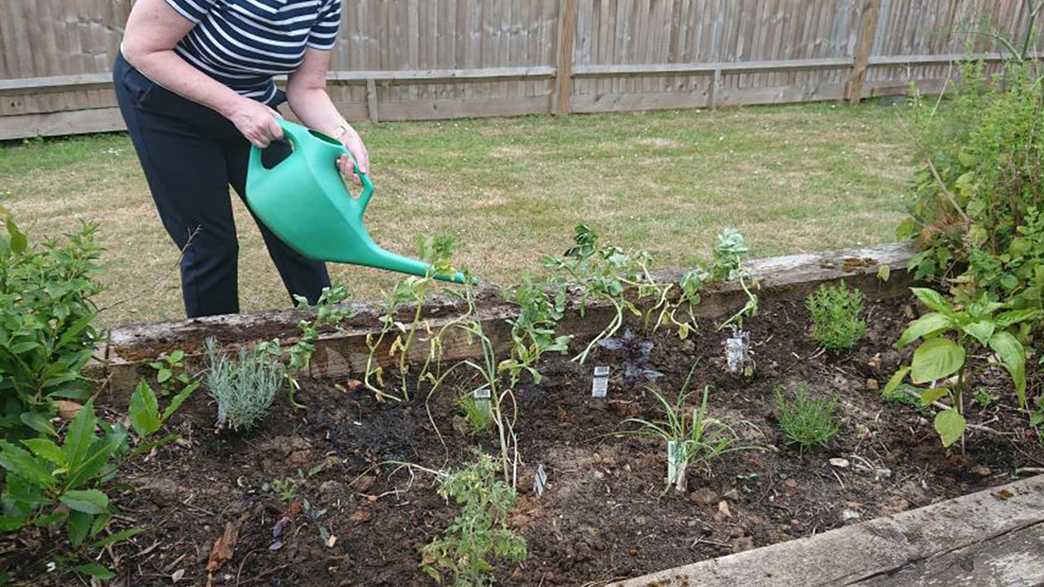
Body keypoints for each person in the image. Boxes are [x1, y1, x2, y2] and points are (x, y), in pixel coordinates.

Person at [114, 0, 367, 318]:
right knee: (210, 245)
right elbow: (141, 49)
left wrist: (342, 134)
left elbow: (308, 86)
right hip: (167, 108)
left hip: (251, 110)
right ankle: (218, 359)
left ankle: (331, 335)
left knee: (297, 224)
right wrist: (234, 106)